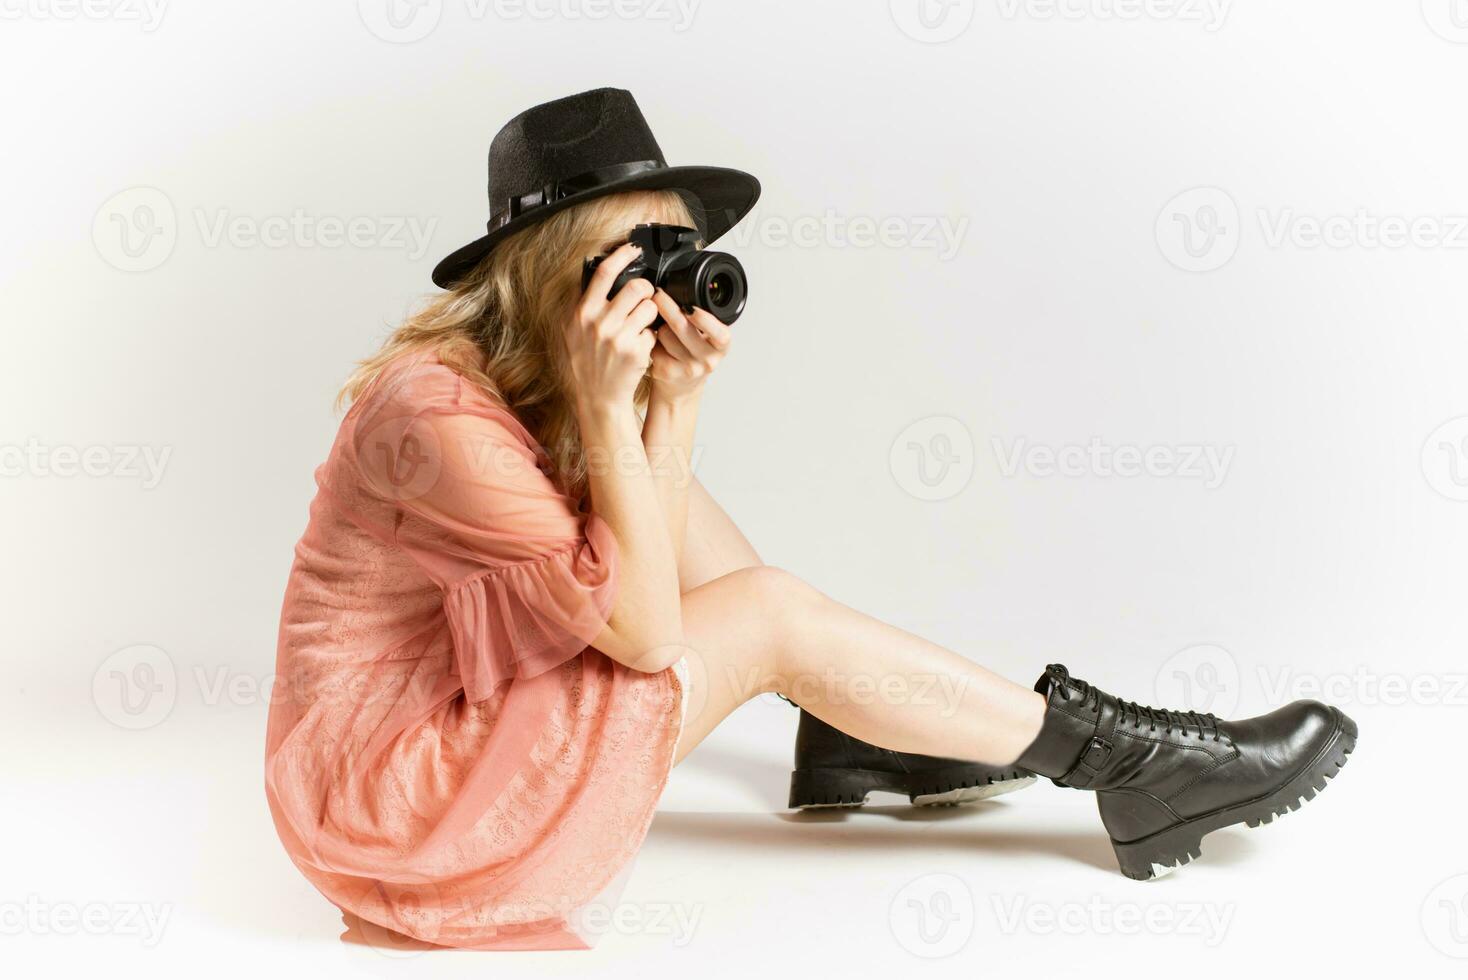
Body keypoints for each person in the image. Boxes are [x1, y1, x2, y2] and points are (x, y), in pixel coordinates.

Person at [264, 88, 1357, 951]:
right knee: (768, 608)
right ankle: (1130, 767)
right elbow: (646, 635)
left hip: (432, 750)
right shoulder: (431, 411)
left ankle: (855, 722)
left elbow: (641, 553)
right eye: (634, 259)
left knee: (668, 502)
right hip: (399, 808)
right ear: (558, 275)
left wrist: (665, 403)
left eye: (674, 253)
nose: (668, 285)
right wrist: (629, 405)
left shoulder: (522, 389)